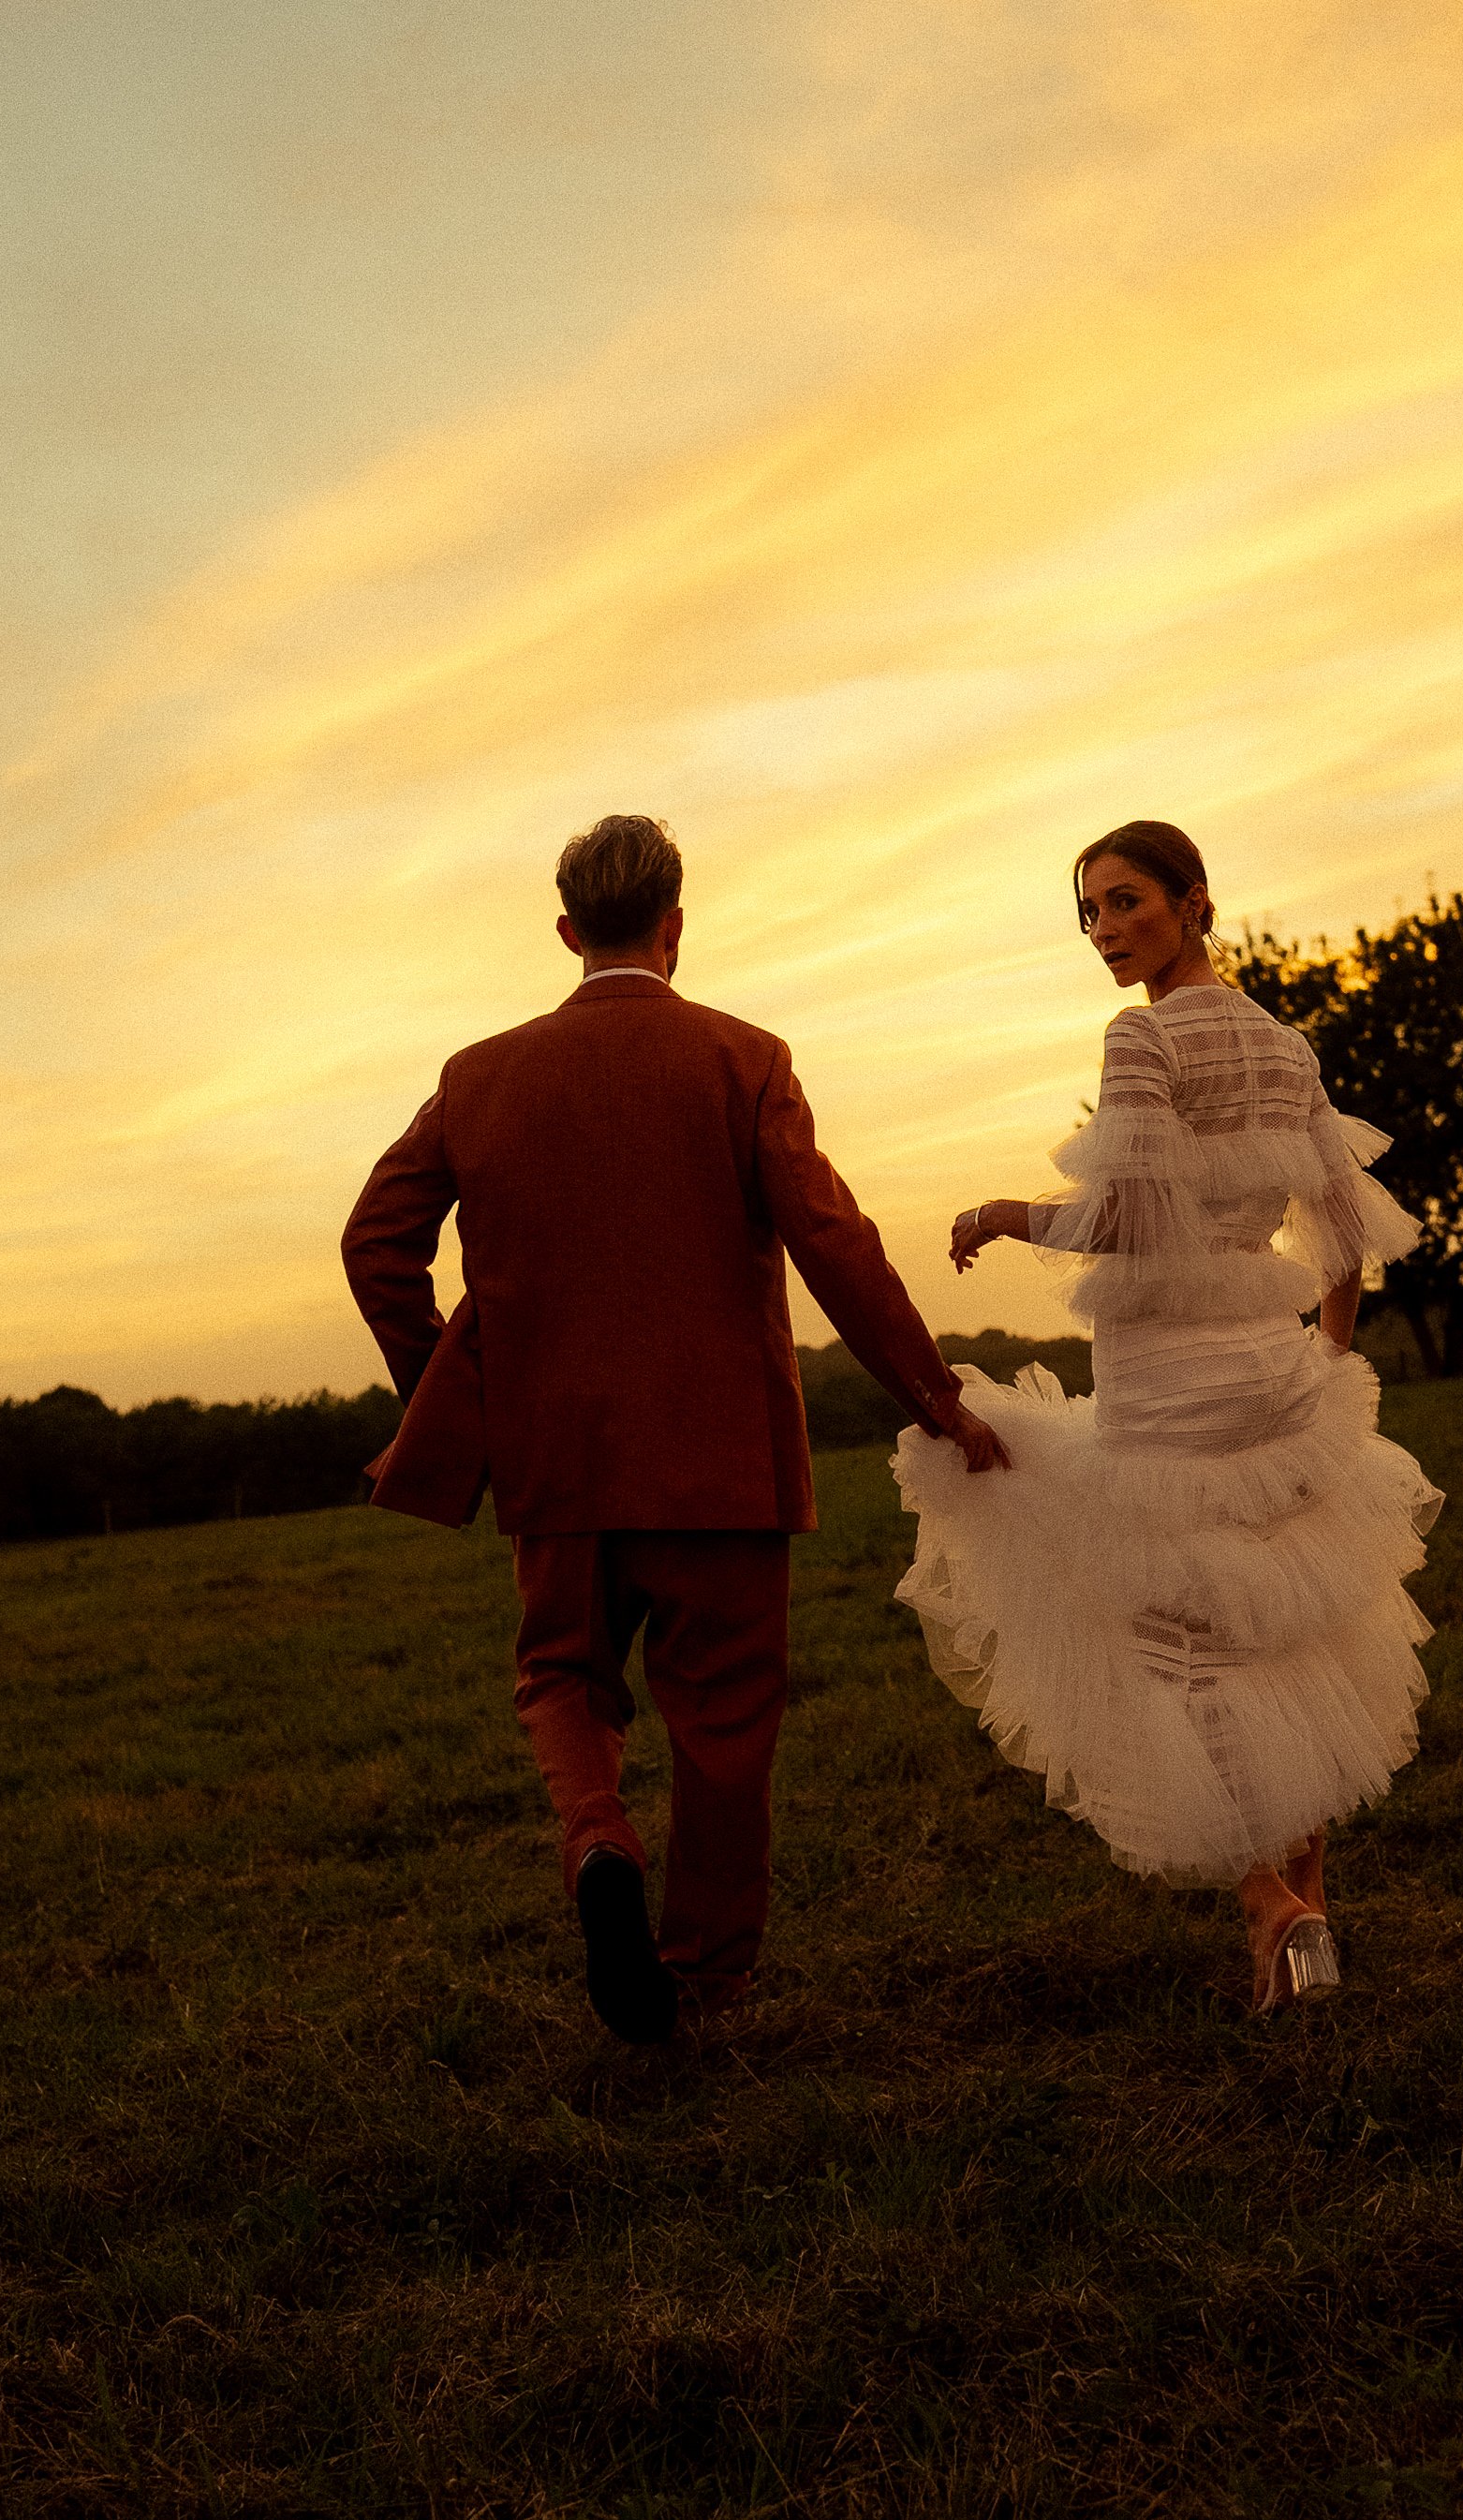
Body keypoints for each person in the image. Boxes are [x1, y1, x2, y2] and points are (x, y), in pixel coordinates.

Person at [342, 814, 1008, 2045]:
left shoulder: (476, 1075)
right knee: (721, 1728)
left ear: (565, 933)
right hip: (724, 1467)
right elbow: (836, 1246)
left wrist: (451, 1392)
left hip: (556, 1463)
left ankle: (597, 1836)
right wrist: (936, 1397)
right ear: (676, 927)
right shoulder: (743, 1058)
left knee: (559, 1676)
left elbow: (375, 1243)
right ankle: (701, 1979)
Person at [894, 821, 1441, 2013]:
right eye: (1089, 911)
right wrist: (1328, 1367)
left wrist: (1001, 1210)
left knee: (1175, 1647)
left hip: (1167, 1385)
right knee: (1286, 1624)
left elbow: (1127, 1220)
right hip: (1273, 1367)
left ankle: (1268, 1902)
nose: (1105, 931)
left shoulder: (1140, 1036)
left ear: (1196, 902)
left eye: (1126, 902)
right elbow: (1340, 1231)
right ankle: (1308, 1921)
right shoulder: (1284, 1045)